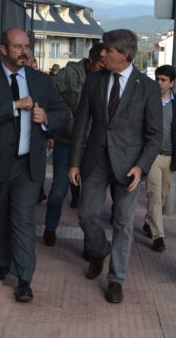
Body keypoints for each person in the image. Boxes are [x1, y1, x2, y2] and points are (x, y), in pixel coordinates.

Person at [0, 28, 68, 302]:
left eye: (27, 46)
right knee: (0, 219)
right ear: (3, 49)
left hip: (28, 165)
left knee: (23, 220)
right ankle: (2, 260)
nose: (24, 51)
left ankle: (24, 279)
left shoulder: (42, 81)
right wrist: (15, 105)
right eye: (17, 47)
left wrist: (46, 117)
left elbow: (62, 113)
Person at [69, 29, 162, 304]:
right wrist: (74, 162)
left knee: (123, 222)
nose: (102, 54)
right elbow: (82, 123)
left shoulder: (147, 87)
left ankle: (115, 279)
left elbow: (155, 135)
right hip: (95, 161)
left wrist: (141, 167)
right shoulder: (94, 80)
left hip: (128, 167)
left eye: (107, 51)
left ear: (124, 54)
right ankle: (100, 250)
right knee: (86, 215)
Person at [43, 43, 105, 251]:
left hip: (91, 145)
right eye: (100, 63)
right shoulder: (69, 74)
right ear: (91, 59)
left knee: (89, 199)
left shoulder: (108, 79)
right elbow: (49, 95)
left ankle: (88, 245)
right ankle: (50, 228)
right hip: (66, 141)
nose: (104, 67)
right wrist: (62, 111)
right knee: (58, 191)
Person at [143, 64, 176, 252]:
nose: (159, 83)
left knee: (161, 197)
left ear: (171, 83)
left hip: (171, 157)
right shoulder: (148, 101)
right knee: (154, 195)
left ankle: (148, 222)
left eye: (163, 80)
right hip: (152, 156)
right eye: (157, 79)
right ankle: (158, 237)